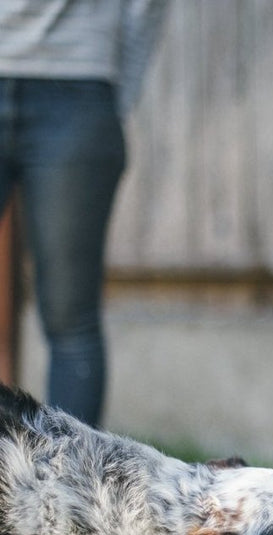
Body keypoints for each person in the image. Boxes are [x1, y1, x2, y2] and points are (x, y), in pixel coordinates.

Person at [0, 0, 167, 426]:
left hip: (80, 79)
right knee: (71, 323)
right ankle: (70, 492)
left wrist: (109, 92)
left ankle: (72, 488)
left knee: (73, 324)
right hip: (82, 88)